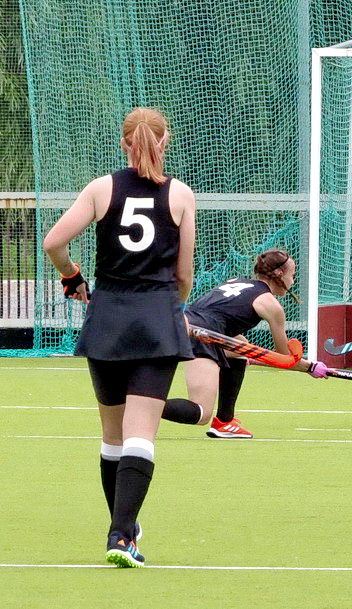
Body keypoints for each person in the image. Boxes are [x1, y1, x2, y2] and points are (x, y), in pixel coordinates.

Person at [43, 107, 196, 568]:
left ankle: (122, 529)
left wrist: (71, 275)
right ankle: (121, 534)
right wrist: (171, 308)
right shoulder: (180, 195)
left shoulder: (100, 188)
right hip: (156, 323)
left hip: (107, 320)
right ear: (164, 141)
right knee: (140, 434)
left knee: (113, 436)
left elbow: (53, 243)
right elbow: (183, 276)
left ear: (124, 143)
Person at [161, 249, 330, 438]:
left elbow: (234, 338)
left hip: (180, 324)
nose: (293, 281)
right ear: (279, 274)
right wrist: (310, 367)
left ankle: (224, 422)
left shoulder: (236, 281)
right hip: (203, 336)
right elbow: (284, 358)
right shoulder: (270, 305)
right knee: (201, 412)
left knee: (241, 346)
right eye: (292, 275)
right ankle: (140, 405)